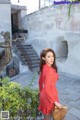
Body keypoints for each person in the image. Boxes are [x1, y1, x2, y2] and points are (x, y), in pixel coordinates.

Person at [38, 48, 63, 120]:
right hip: (50, 98)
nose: (52, 58)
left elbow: (40, 81)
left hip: (46, 96)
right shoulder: (49, 70)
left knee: (47, 117)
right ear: (43, 58)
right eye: (48, 57)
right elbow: (46, 88)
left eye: (52, 56)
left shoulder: (44, 67)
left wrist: (41, 92)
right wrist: (55, 102)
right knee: (54, 117)